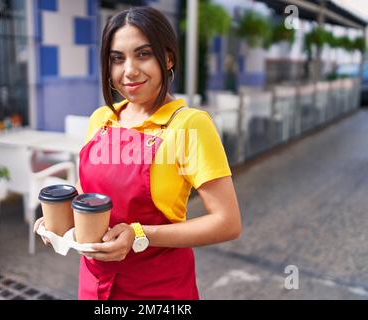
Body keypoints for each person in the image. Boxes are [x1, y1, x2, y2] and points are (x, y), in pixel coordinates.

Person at [34, 6, 241, 300]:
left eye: (143, 54)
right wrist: (57, 219)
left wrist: (140, 234)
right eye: (117, 59)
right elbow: (90, 190)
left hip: (159, 290)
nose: (129, 70)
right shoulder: (101, 119)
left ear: (168, 57)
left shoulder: (189, 125)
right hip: (94, 284)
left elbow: (227, 222)